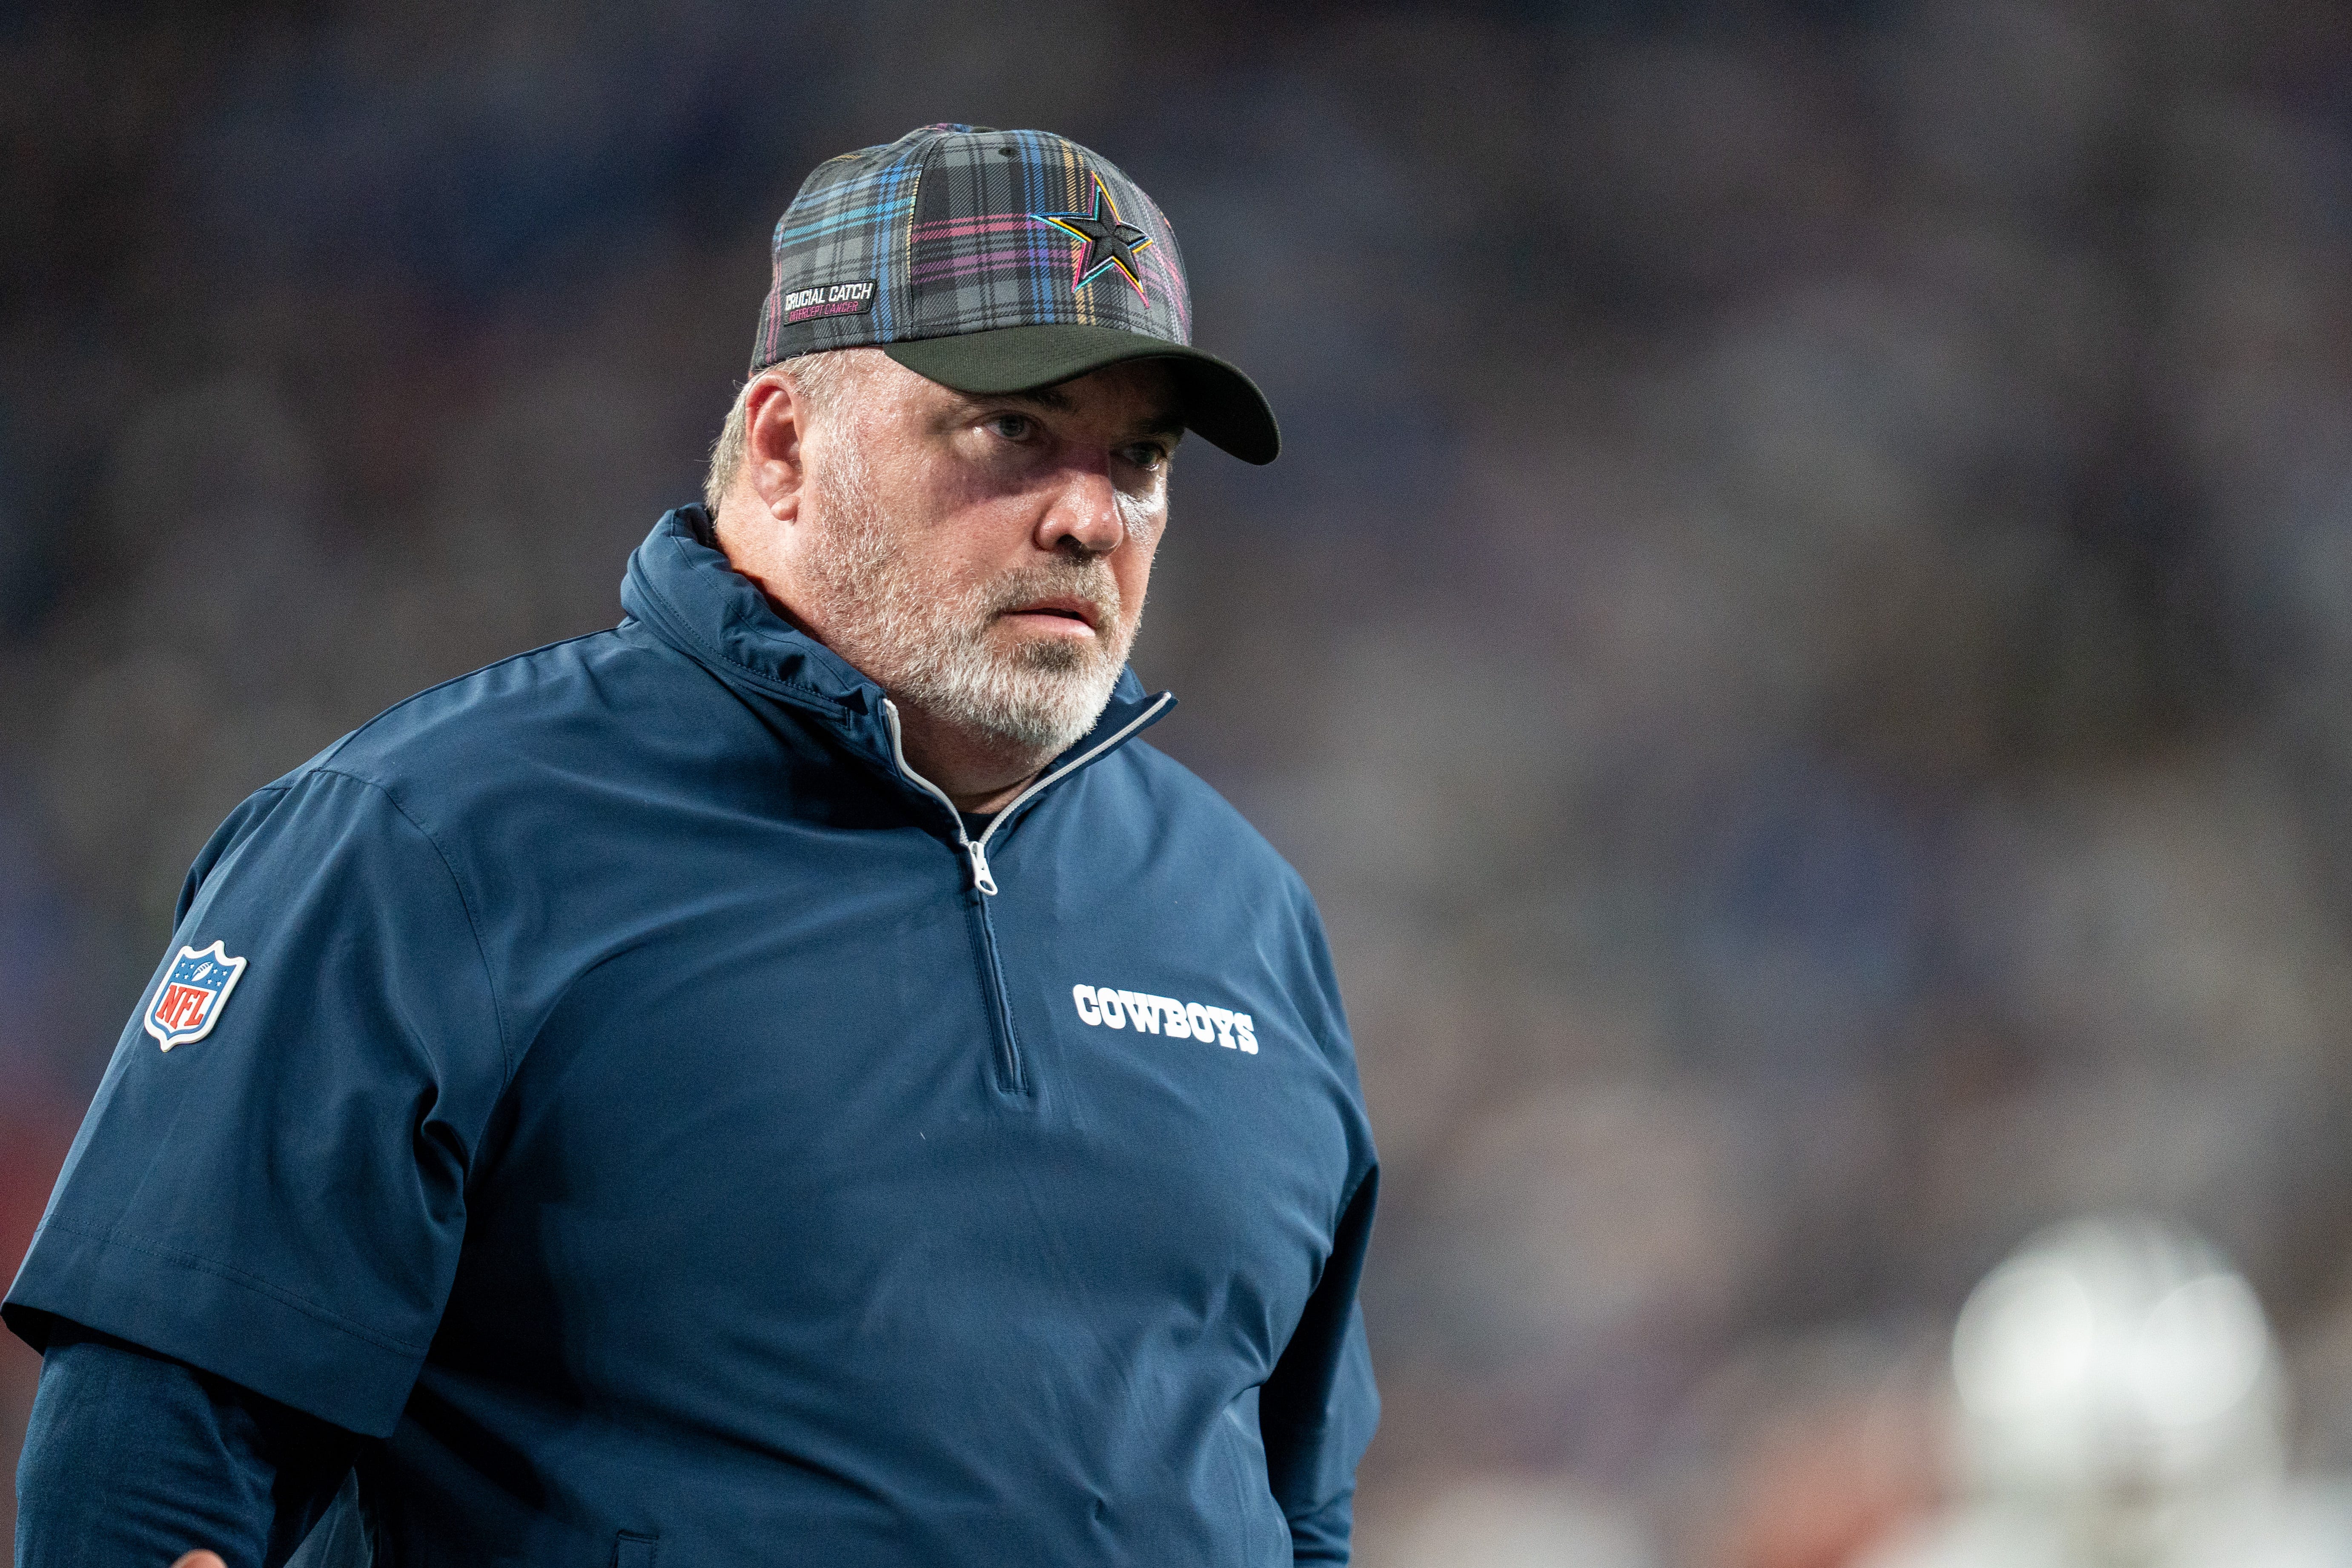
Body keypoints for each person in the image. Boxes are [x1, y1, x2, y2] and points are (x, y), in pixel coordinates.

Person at [8, 124, 1379, 1567]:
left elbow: (1296, 1517)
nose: (1094, 515)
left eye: (1142, 457)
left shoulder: (1244, 920)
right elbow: (148, 1478)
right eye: (1015, 429)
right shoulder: (432, 843)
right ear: (786, 448)